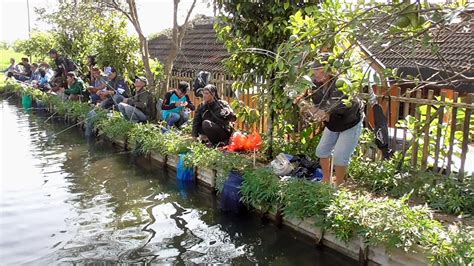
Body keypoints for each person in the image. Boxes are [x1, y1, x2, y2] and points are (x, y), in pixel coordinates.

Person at [306, 58, 364, 186]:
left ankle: (338, 186)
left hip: (350, 123)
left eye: (318, 70)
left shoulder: (340, 85)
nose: (315, 73)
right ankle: (326, 181)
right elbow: (318, 109)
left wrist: (308, 107)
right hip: (333, 123)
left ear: (329, 71)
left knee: (339, 157)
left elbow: (325, 115)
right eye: (314, 70)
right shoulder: (316, 85)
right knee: (321, 151)